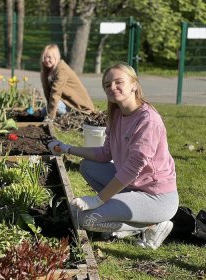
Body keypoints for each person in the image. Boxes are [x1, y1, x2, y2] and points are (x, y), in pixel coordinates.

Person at [48, 62, 179, 250]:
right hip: (133, 187)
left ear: (134, 85)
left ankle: (153, 224)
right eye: (107, 84)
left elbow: (132, 170)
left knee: (85, 219)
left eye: (119, 82)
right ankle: (125, 211)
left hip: (156, 197)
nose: (112, 87)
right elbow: (104, 154)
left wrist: (98, 199)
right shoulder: (116, 114)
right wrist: (67, 148)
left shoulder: (147, 121)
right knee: (87, 166)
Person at [40, 44, 95, 120]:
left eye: (49, 57)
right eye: (44, 57)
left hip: (78, 105)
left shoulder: (61, 69)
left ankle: (74, 116)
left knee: (56, 108)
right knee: (43, 112)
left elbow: (55, 93)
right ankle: (61, 115)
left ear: (56, 57)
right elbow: (48, 93)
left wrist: (50, 117)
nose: (46, 60)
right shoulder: (47, 71)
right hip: (65, 101)